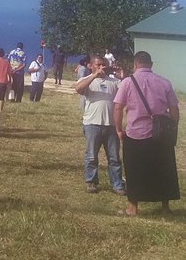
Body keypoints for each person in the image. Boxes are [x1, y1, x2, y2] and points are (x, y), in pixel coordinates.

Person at [113, 51, 180, 217]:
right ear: (151, 64)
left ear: (135, 64)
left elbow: (118, 107)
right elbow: (174, 109)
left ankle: (133, 207)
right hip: (161, 134)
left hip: (136, 133)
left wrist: (118, 129)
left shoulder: (127, 82)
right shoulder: (165, 82)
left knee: (134, 169)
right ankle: (165, 207)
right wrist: (173, 127)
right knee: (164, 168)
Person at [74, 54, 125, 195]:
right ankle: (91, 182)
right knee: (91, 156)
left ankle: (117, 184)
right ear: (91, 66)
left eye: (103, 64)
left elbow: (127, 91)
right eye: (98, 65)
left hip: (111, 125)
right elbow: (78, 89)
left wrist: (122, 76)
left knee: (114, 158)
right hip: (92, 124)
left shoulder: (113, 82)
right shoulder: (87, 79)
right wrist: (94, 76)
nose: (101, 67)